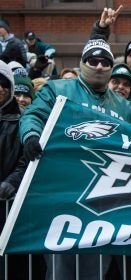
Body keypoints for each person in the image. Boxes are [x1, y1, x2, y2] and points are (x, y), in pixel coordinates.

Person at [19, 38, 131, 280]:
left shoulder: (123, 105)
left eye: (105, 61)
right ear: (82, 63)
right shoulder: (58, 89)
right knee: (60, 270)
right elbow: (34, 114)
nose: (100, 66)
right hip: (61, 196)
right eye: (93, 60)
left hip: (102, 201)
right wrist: (31, 136)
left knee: (95, 270)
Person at [0, 60, 29, 280]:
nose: (0, 88)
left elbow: (24, 160)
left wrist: (11, 183)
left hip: (8, 207)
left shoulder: (22, 121)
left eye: (4, 83)